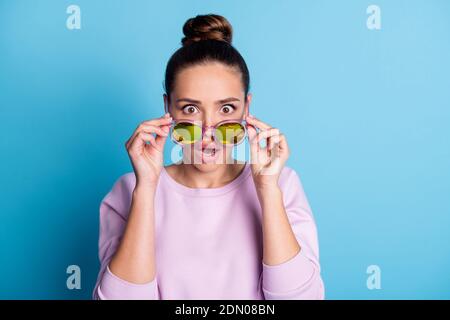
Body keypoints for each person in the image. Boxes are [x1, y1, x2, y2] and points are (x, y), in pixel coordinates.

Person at [93, 13, 324, 300]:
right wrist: (147, 189)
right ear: (168, 107)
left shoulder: (282, 184)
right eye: (190, 109)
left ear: (246, 108)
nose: (208, 132)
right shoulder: (129, 191)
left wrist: (266, 190)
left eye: (226, 109)